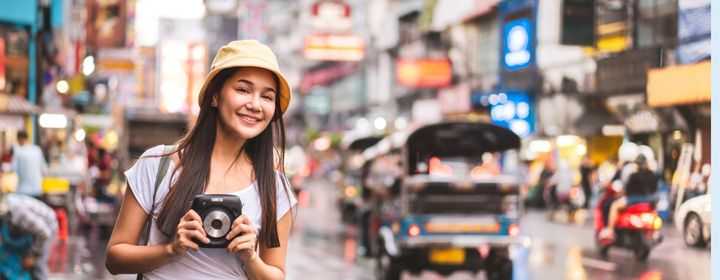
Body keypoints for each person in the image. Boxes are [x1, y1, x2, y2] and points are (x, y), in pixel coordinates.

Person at [105, 40, 297, 279]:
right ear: (215, 96)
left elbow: (276, 274)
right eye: (243, 90)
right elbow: (114, 258)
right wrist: (172, 249)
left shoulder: (275, 188)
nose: (255, 105)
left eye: (267, 97)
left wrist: (250, 256)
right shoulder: (157, 165)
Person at [0, 190, 59, 280]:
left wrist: (32, 256)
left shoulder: (18, 213)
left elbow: (43, 233)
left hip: (47, 228)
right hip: (28, 230)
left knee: (37, 265)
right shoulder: (5, 210)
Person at [600, 153, 658, 240]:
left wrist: (619, 194)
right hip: (649, 202)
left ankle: (610, 230)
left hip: (633, 201)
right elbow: (655, 189)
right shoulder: (653, 175)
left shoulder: (634, 175)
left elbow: (627, 190)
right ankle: (655, 232)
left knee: (614, 205)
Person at [11, 131, 48, 198]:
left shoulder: (18, 151)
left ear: (19, 139)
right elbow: (44, 168)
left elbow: (13, 169)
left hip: (23, 191)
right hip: (37, 189)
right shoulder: (37, 150)